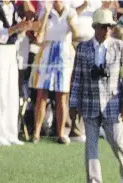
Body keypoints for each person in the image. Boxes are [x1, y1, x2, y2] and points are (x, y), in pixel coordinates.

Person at [69, 8, 123, 183]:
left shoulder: (120, 47)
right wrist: (73, 104)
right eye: (103, 27)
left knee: (118, 141)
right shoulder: (82, 48)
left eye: (109, 27)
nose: (106, 30)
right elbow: (77, 78)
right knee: (91, 145)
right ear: (95, 27)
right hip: (89, 103)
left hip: (112, 103)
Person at [30, 0, 79, 144]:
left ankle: (61, 133)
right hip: (46, 53)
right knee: (41, 95)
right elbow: (39, 34)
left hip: (64, 55)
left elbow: (76, 35)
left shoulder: (71, 12)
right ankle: (36, 133)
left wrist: (70, 23)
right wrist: (45, 13)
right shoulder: (46, 10)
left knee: (62, 96)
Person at [0, 0, 35, 146]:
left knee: (11, 92)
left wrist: (22, 28)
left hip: (11, 51)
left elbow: (19, 30)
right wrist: (16, 28)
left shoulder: (15, 8)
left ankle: (10, 132)